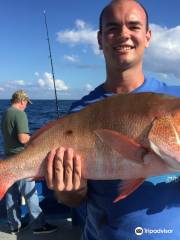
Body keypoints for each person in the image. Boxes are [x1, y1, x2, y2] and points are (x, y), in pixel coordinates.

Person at [45, 0, 180, 239]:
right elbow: (73, 199)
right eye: (113, 28)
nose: (123, 34)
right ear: (100, 39)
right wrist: (67, 192)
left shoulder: (175, 99)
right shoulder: (79, 112)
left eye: (134, 26)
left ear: (148, 36)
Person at [1, 90, 57, 235]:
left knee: (11, 196)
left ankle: (14, 225)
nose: (26, 106)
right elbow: (23, 139)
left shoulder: (6, 113)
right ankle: (38, 225)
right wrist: (40, 141)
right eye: (26, 103)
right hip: (22, 161)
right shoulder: (20, 114)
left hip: (8, 159)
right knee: (30, 194)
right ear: (22, 100)